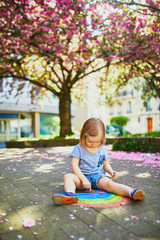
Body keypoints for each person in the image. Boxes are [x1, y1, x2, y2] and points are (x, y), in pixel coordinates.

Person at [52, 118, 145, 205]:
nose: (94, 144)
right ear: (84, 136)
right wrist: (84, 179)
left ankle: (131, 192)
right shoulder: (78, 148)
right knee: (68, 176)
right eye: (90, 141)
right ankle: (69, 195)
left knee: (110, 184)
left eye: (97, 142)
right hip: (82, 178)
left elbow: (105, 164)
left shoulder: (102, 149)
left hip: (98, 177)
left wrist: (110, 171)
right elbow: (74, 165)